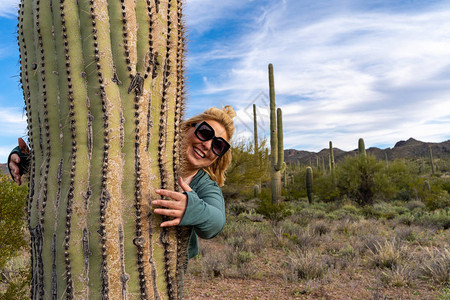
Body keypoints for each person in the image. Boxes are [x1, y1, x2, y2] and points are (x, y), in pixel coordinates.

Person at [8, 106, 236, 259]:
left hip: (160, 277)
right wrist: (26, 160)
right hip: (93, 254)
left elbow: (216, 223)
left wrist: (193, 208)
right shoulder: (147, 149)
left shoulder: (204, 185)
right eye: (205, 133)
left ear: (219, 155)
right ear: (188, 128)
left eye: (218, 145)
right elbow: (89, 155)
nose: (207, 145)